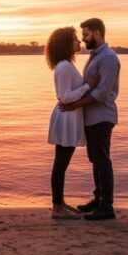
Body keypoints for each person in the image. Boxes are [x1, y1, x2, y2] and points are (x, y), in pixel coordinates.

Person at [59, 18, 120, 220]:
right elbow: (88, 85)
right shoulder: (95, 56)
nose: (83, 39)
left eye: (85, 34)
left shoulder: (108, 58)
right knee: (95, 159)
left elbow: (103, 93)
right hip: (91, 117)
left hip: (102, 116)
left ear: (96, 33)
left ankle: (107, 206)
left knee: (102, 160)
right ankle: (98, 199)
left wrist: (73, 105)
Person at [45, 27, 100, 220]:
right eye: (75, 40)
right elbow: (65, 96)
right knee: (60, 164)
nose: (79, 43)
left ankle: (59, 203)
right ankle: (57, 208)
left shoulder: (66, 64)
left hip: (70, 116)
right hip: (66, 117)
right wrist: (89, 86)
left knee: (61, 164)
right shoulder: (64, 67)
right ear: (65, 44)